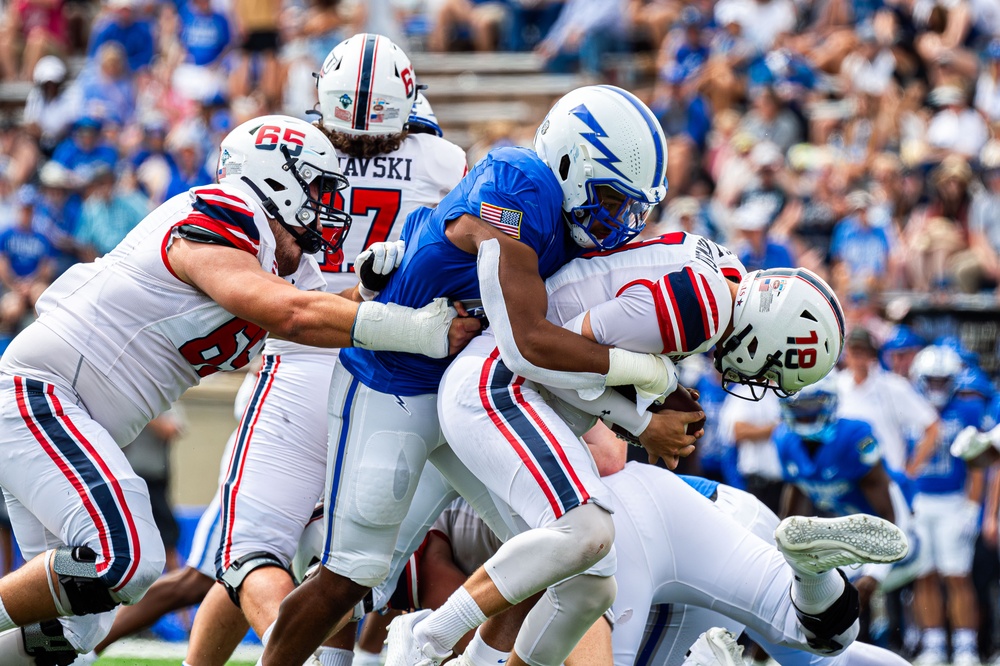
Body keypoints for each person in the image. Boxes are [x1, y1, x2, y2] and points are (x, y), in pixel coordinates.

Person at [0, 113, 478, 663]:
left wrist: (371, 293)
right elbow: (291, 316)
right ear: (276, 178)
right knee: (125, 556)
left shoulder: (278, 261)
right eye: (320, 188)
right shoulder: (225, 212)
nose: (329, 206)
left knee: (68, 633)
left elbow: (310, 326)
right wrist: (418, 331)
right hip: (43, 394)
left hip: (67, 414)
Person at [259, 84, 684, 665]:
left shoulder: (559, 218)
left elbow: (431, 228)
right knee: (351, 574)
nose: (620, 221)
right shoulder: (518, 184)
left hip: (465, 392)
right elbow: (528, 341)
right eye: (612, 200)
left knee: (551, 556)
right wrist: (645, 377)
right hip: (394, 384)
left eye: (632, 207)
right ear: (569, 163)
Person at [396, 224, 845, 666]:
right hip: (498, 385)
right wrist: (643, 419)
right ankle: (428, 637)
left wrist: (650, 395)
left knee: (585, 584)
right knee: (586, 538)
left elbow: (594, 347)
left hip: (506, 385)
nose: (759, 381)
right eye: (769, 371)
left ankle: (462, 658)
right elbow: (554, 350)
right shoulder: (704, 308)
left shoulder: (720, 281)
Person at [184, 34, 470, 666]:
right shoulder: (443, 160)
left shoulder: (284, 144)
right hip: (385, 366)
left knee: (272, 555)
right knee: (328, 561)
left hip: (319, 353)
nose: (363, 145)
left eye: (375, 136)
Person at [774, 376, 917, 607]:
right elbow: (796, 489)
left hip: (901, 521)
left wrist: (875, 574)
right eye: (798, 405)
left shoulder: (854, 437)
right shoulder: (784, 440)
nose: (805, 412)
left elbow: (890, 511)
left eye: (813, 403)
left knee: (860, 590)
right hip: (852, 527)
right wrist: (782, 550)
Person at [907, 346, 985, 666]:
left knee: (957, 575)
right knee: (924, 574)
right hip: (920, 501)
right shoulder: (910, 406)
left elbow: (979, 461)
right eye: (932, 380)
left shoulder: (967, 410)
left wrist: (971, 505)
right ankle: (934, 643)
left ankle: (966, 646)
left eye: (944, 381)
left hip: (953, 501)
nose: (937, 387)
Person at [836, 327, 939, 475]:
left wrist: (909, 472)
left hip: (886, 481)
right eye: (854, 352)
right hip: (847, 481)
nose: (858, 358)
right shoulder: (837, 386)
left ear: (872, 355)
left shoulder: (894, 387)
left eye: (862, 352)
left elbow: (932, 427)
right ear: (846, 354)